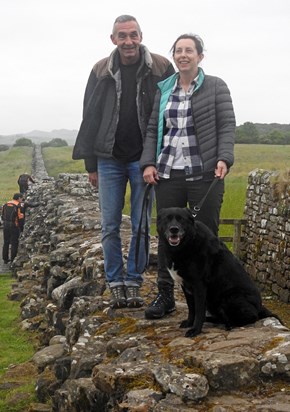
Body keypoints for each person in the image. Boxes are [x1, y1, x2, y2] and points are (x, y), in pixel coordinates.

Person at [72, 15, 175, 309]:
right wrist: (90, 164)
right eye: (122, 36)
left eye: (133, 35)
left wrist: (160, 156)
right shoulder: (100, 69)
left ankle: (134, 282)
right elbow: (89, 116)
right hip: (108, 159)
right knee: (110, 225)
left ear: (140, 36)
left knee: (142, 224)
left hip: (145, 160)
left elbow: (170, 111)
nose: (128, 41)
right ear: (113, 39)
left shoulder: (161, 67)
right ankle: (115, 282)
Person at [140, 33, 236, 319]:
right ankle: (166, 296)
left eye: (189, 51)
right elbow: (153, 129)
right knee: (167, 237)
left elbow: (227, 125)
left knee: (206, 239)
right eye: (178, 51)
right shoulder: (164, 89)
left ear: (200, 56)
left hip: (204, 173)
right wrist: (148, 163)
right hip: (168, 172)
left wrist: (224, 158)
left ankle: (210, 302)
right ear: (174, 56)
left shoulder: (216, 86)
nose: (183, 55)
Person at [2, 193, 24, 264]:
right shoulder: (18, 205)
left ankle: (5, 259)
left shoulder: (6, 204)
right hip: (14, 225)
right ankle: (13, 259)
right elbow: (20, 218)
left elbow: (2, 215)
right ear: (18, 198)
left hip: (5, 224)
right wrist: (21, 228)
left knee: (6, 242)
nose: (22, 200)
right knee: (14, 242)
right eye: (21, 198)